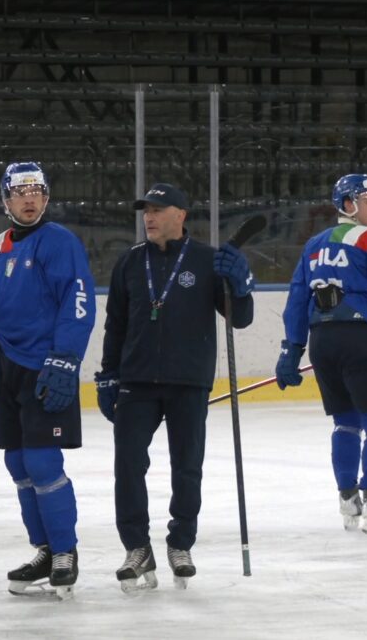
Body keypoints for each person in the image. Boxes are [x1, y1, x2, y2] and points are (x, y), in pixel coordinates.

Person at [94, 182, 255, 593]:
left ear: (180, 215)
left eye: (157, 209)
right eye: (145, 210)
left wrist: (240, 285)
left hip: (189, 381)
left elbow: (241, 320)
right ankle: (136, 548)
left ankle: (180, 543)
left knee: (188, 468)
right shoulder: (130, 262)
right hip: (136, 381)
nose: (148, 217)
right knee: (128, 466)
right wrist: (108, 373)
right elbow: (116, 323)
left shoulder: (206, 261)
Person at [0, 161, 95, 600]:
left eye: (37, 191)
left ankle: (65, 551)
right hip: (4, 367)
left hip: (44, 368)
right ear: (6, 199)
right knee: (17, 465)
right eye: (21, 192)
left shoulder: (60, 242)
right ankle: (44, 550)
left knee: (42, 463)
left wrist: (65, 359)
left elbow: (78, 301)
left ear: (46, 197)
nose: (30, 199)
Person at [276, 173, 367, 536]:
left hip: (322, 341)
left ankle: (349, 497)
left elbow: (298, 300)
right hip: (360, 339)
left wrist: (291, 350)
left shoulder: (313, 244)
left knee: (345, 422)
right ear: (347, 205)